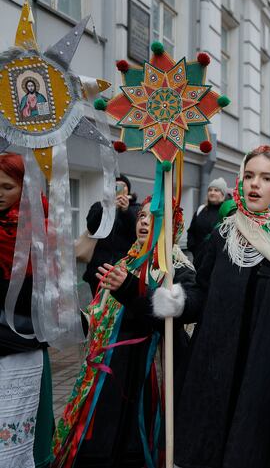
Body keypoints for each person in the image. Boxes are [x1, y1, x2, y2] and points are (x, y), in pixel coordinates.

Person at [174, 145, 270, 468]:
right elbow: (201, 295)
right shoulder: (224, 234)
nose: (254, 184)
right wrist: (177, 301)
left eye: (267, 178)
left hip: (262, 381)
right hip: (214, 374)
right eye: (249, 176)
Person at [53, 197, 196, 468]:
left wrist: (135, 289)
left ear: (173, 226)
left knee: (137, 440)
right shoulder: (124, 261)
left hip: (147, 367)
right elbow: (100, 314)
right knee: (103, 436)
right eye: (141, 216)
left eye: (154, 217)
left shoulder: (176, 269)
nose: (144, 222)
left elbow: (176, 317)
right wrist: (73, 315)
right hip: (110, 367)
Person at [0, 153, 54, 468]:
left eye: (7, 186)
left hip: (23, 344)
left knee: (26, 433)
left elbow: (49, 295)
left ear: (25, 188)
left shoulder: (40, 231)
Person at [82, 175, 140, 295]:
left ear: (128, 189)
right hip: (99, 268)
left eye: (122, 186)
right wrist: (107, 208)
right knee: (97, 308)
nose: (118, 189)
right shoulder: (100, 206)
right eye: (115, 186)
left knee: (117, 308)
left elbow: (137, 234)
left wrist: (126, 211)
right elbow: (91, 227)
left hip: (123, 269)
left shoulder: (136, 209)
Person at [187, 176, 228, 266]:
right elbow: (191, 231)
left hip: (217, 261)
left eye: (216, 190)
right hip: (198, 258)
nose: (212, 193)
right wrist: (193, 247)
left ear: (223, 194)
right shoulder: (201, 210)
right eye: (210, 190)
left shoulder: (227, 212)